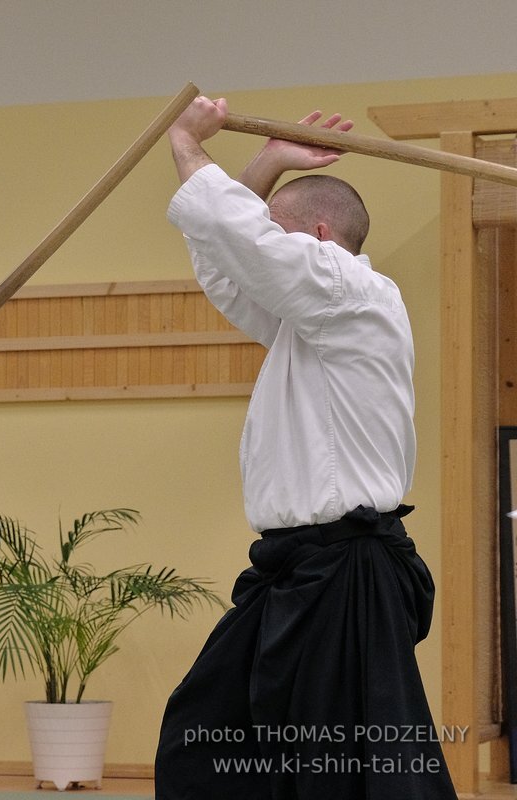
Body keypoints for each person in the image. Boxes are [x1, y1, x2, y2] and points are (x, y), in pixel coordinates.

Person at [152, 97, 457, 799]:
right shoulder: (309, 317)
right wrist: (266, 162)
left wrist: (186, 144)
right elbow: (231, 268)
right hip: (300, 568)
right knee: (206, 731)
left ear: (319, 238)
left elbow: (249, 248)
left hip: (347, 570)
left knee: (347, 772)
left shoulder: (356, 293)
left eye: (280, 239)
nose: (268, 250)